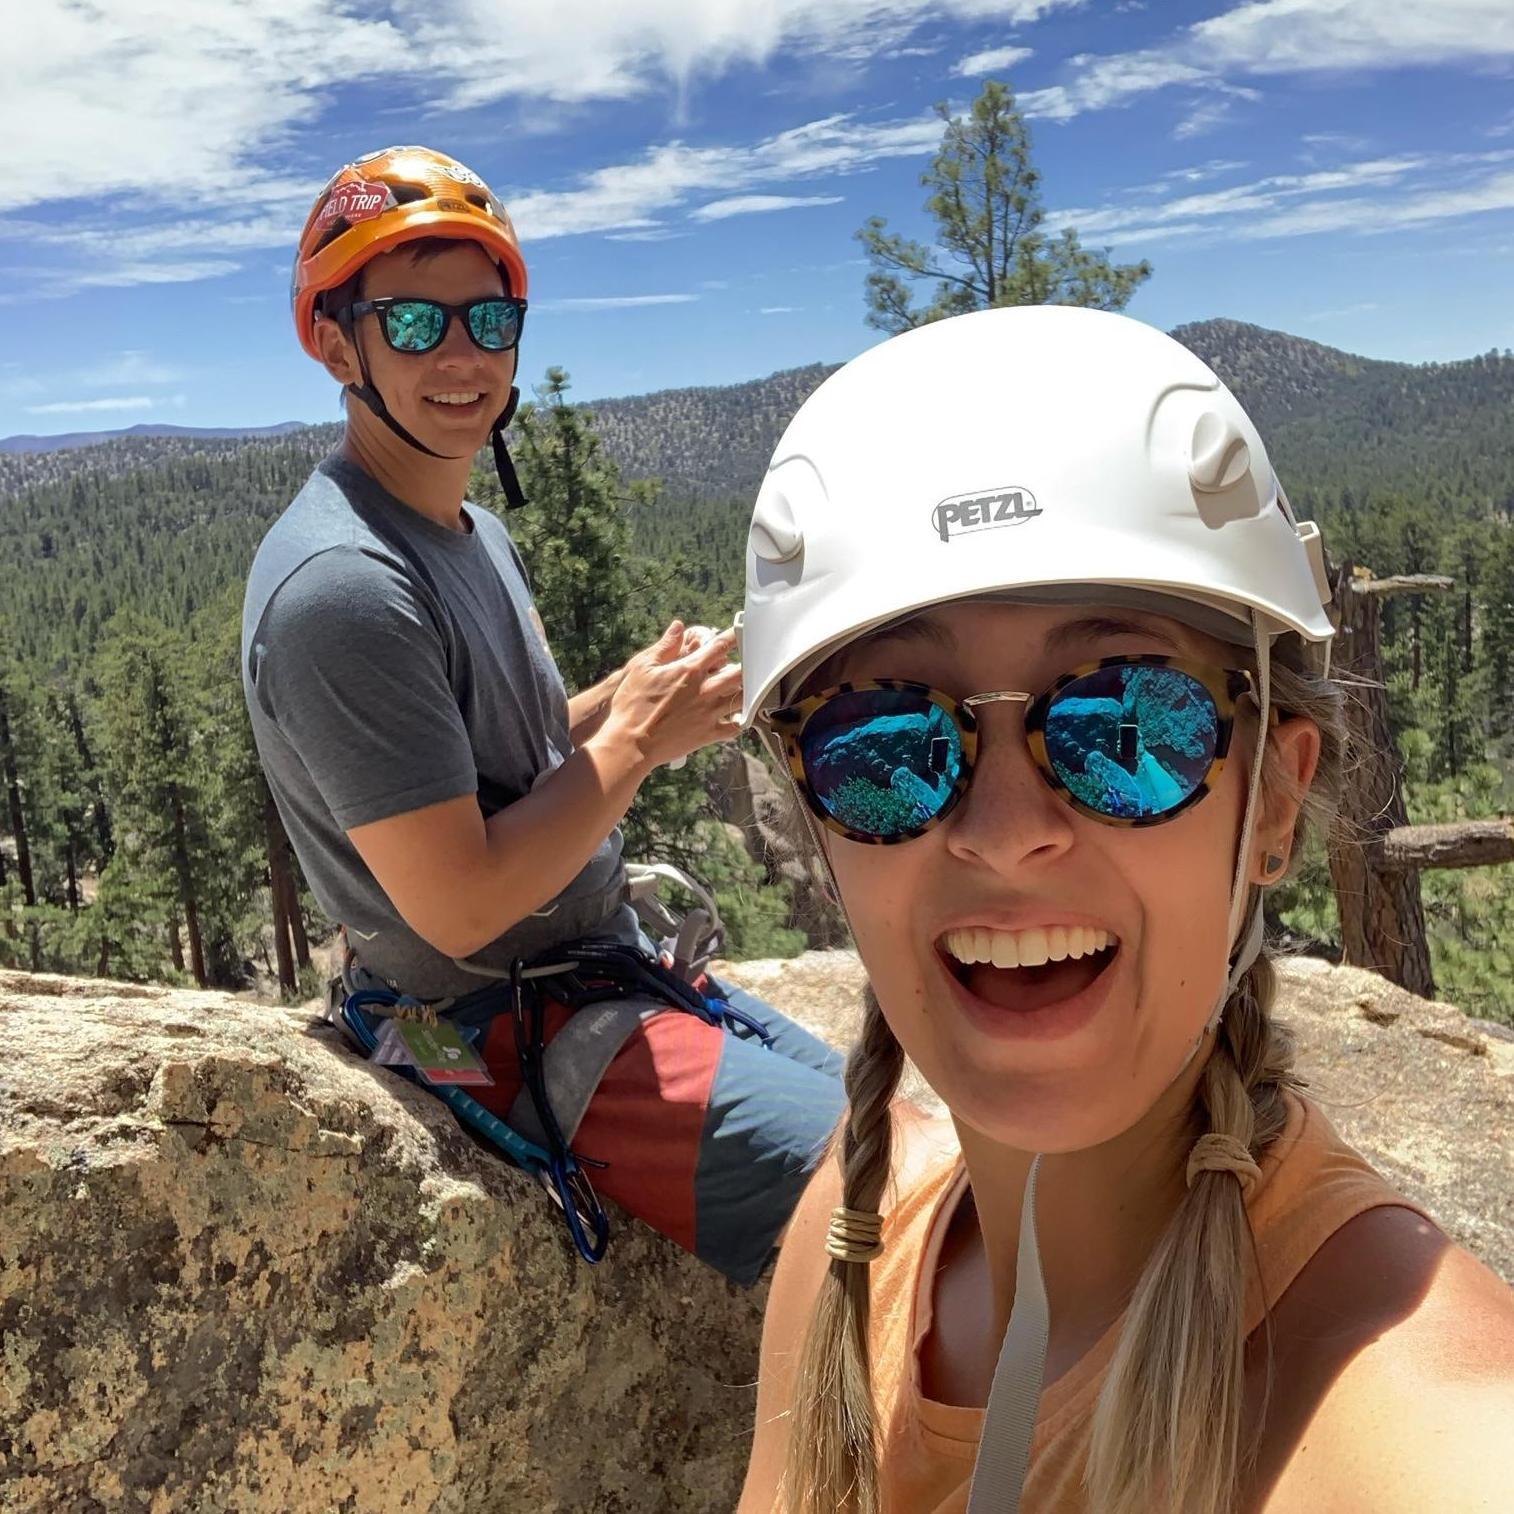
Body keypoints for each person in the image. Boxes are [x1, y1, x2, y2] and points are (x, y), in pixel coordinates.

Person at [734, 306, 1514, 1512]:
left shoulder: (1418, 1428)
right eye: (881, 743)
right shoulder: (855, 1233)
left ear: (1270, 803)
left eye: (1126, 727)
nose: (1002, 829)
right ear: (813, 816)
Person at [241, 145, 843, 1284]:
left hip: (587, 973)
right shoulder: (344, 584)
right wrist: (633, 746)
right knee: (889, 1182)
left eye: (490, 319)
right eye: (413, 324)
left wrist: (620, 699)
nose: (462, 356)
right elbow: (459, 899)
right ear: (334, 339)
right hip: (496, 1020)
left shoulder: (464, 527)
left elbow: (483, 767)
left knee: (903, 1113)